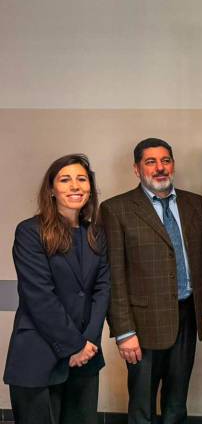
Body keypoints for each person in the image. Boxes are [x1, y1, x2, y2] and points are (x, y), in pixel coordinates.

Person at [101, 138, 202, 424]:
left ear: (173, 164)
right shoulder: (116, 209)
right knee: (142, 405)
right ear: (136, 168)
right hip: (142, 325)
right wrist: (123, 331)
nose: (159, 168)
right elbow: (114, 276)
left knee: (177, 403)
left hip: (187, 315)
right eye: (150, 162)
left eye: (165, 160)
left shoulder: (196, 204)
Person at [4, 154, 110, 424]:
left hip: (86, 356)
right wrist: (74, 345)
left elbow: (103, 289)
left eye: (81, 179)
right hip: (39, 354)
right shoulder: (30, 232)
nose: (75, 186)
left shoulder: (96, 233)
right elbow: (39, 297)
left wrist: (88, 343)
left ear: (90, 187)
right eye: (65, 180)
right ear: (51, 189)